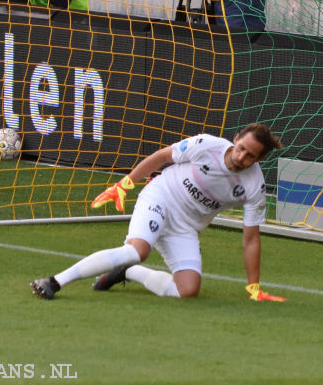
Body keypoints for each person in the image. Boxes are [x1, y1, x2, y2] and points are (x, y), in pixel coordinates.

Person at [30, 124, 286, 302]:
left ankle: (126, 272)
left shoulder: (254, 186)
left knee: (187, 291)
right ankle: (53, 282)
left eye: (250, 156)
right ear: (237, 137)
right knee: (137, 251)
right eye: (241, 147)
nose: (241, 157)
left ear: (259, 160)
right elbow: (161, 156)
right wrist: (125, 184)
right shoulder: (206, 145)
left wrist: (253, 285)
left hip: (185, 228)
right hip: (161, 198)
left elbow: (251, 238)